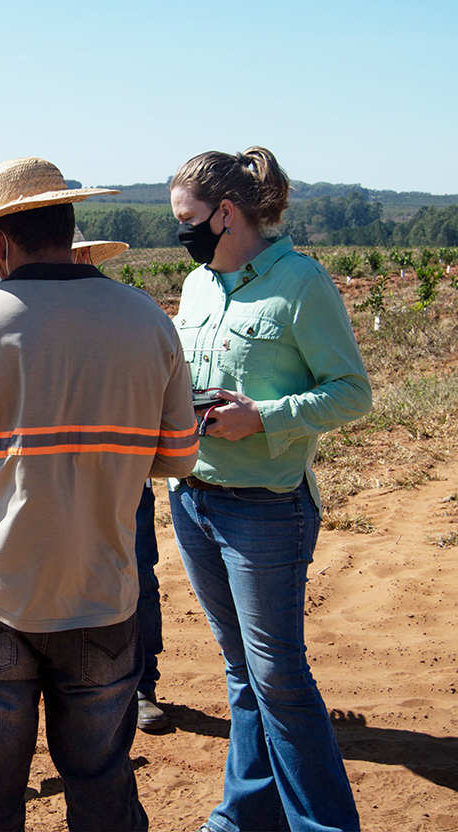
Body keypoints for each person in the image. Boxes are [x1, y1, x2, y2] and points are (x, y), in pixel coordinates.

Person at [0, 156, 199, 832]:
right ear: (69, 227)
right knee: (100, 778)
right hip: (102, 594)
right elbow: (180, 458)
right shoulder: (148, 320)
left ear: (0, 240)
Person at [166, 146, 371, 832]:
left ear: (227, 213)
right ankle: (244, 817)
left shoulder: (301, 284)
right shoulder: (197, 286)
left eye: (188, 219)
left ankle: (324, 826)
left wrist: (263, 418)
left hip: (266, 509)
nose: (181, 234)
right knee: (241, 674)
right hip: (194, 499)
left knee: (279, 679)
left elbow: (351, 393)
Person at [72, 237, 171, 735]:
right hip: (58, 481)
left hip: (122, 478)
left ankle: (140, 685)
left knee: (135, 577)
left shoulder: (133, 315)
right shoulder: (33, 316)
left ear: (87, 257)